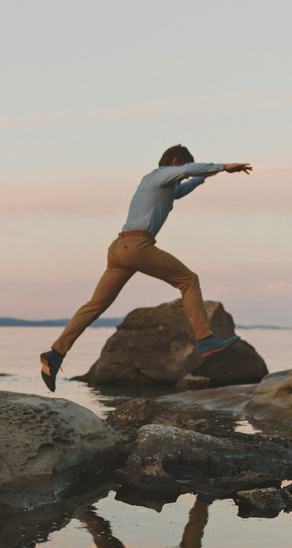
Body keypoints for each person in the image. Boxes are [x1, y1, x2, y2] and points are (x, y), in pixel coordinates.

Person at [40, 144, 252, 391]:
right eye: (182, 168)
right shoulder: (157, 175)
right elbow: (187, 172)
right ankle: (205, 339)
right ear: (174, 162)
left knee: (95, 305)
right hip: (137, 246)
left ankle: (55, 354)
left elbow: (184, 187)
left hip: (120, 249)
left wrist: (205, 176)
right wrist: (224, 167)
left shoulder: (163, 187)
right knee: (188, 280)